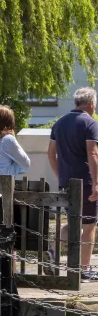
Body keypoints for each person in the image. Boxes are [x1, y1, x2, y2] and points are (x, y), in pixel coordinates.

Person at [48, 87, 98, 281]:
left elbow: (51, 154)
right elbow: (92, 153)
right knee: (89, 225)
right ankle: (84, 270)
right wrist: (96, 183)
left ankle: (52, 249)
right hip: (85, 181)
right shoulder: (90, 123)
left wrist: (60, 175)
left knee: (73, 221)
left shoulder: (59, 123)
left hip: (66, 182)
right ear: (91, 103)